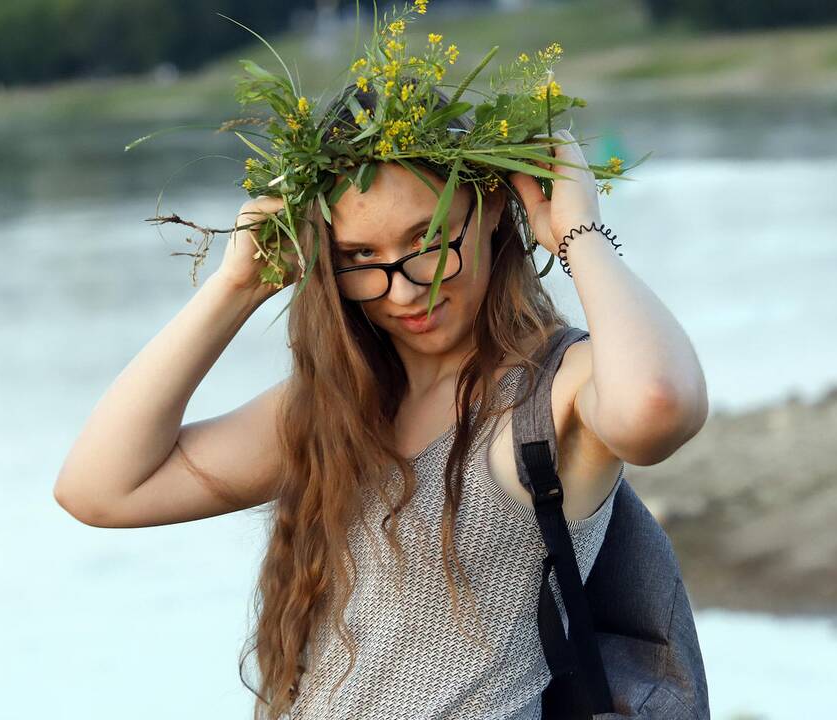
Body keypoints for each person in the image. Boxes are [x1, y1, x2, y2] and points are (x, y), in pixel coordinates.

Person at [54, 13, 707, 717]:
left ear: (489, 208)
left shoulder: (551, 392)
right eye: (359, 259)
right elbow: (98, 490)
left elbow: (657, 408)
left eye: (425, 240)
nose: (403, 290)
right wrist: (234, 287)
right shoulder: (334, 409)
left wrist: (579, 233)